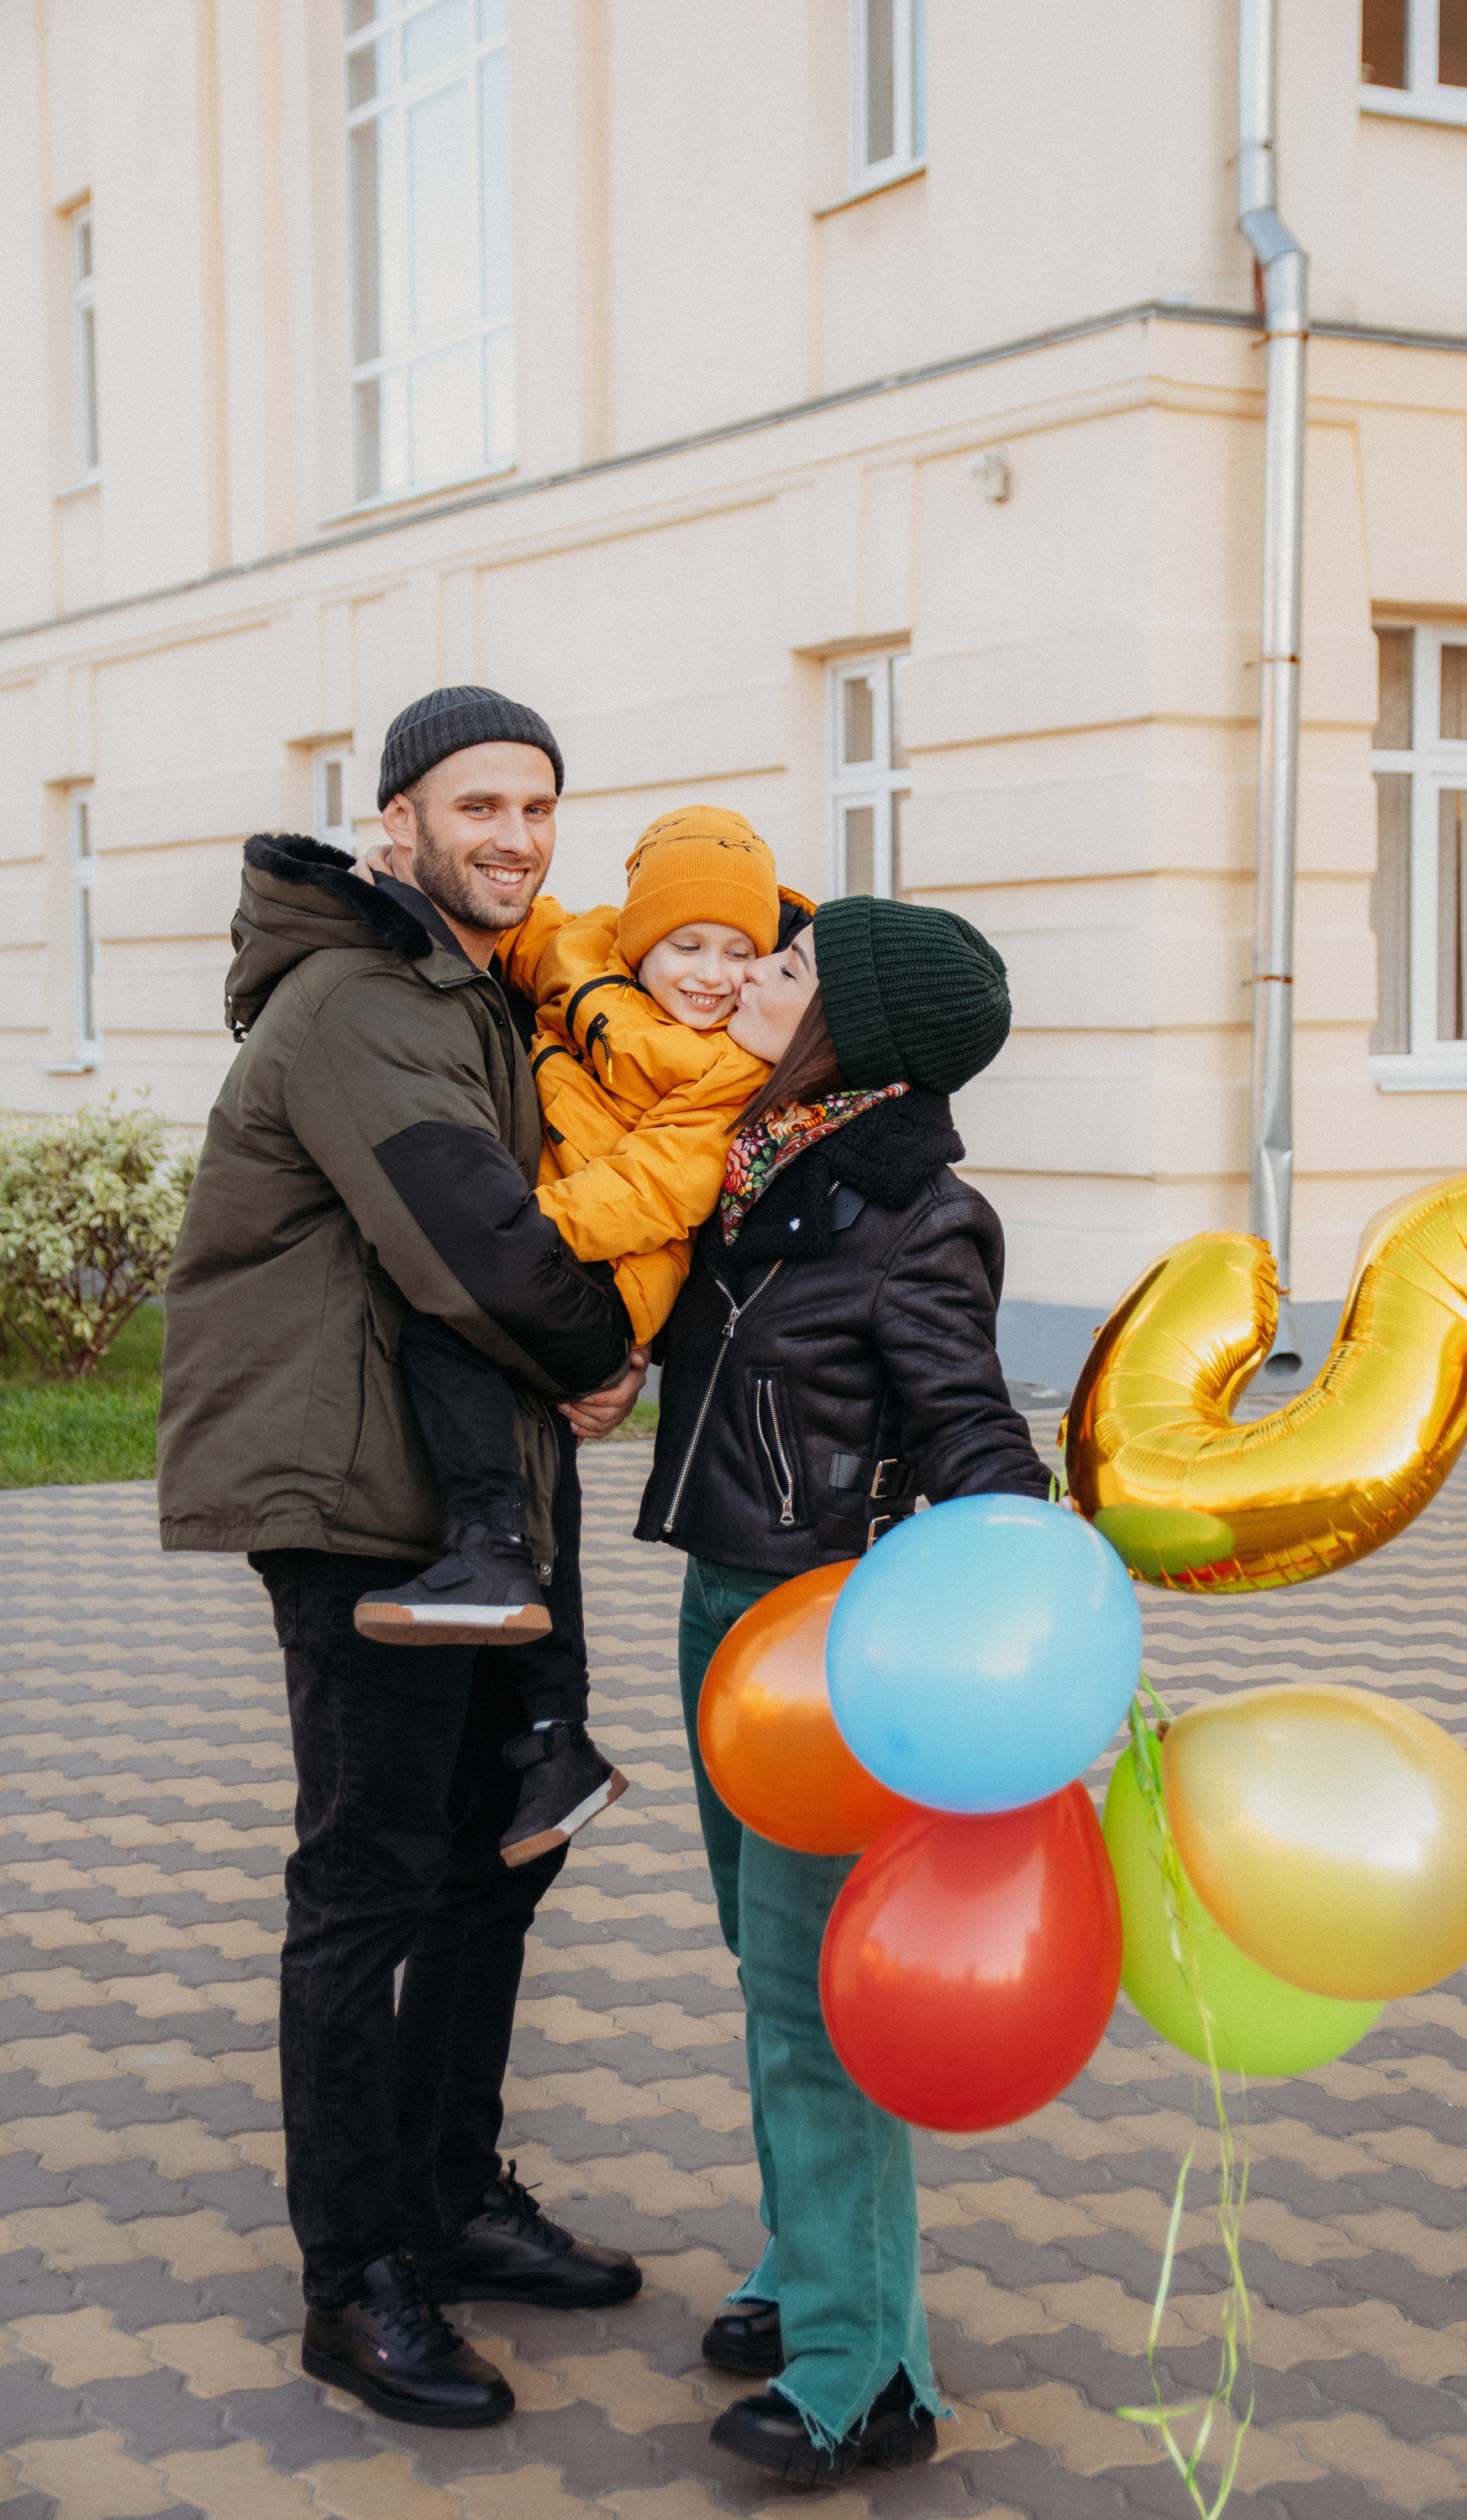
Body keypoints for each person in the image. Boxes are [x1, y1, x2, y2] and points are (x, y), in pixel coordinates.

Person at [157, 685, 649, 2432]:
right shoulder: (361, 997)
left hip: (460, 1494)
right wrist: (601, 1356)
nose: (511, 837)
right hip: (355, 1500)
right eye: (475, 807)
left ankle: (448, 2194)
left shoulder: (469, 990)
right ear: (396, 828)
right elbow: (469, 1233)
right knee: (368, 1877)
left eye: (536, 807)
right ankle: (352, 2276)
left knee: (493, 1859)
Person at [634, 893, 1051, 2484]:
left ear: (851, 1029)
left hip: (830, 1638)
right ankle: (805, 2265)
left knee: (820, 2006)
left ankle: (865, 2373)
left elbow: (965, 1423)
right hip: (725, 1606)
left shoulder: (911, 1211)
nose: (749, 971)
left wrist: (1023, 1579)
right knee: (764, 1962)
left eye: (789, 966)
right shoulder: (758, 1161)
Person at [350, 806, 813, 1870]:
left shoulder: (729, 1064)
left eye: (740, 954)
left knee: (442, 1323)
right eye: (687, 945)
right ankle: (554, 1734)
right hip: (543, 1232)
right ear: (638, 935)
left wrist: (516, 1239)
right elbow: (510, 933)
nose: (710, 974)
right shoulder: (580, 954)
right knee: (532, 1449)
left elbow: (665, 1184)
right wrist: (395, 886)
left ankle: (489, 1553)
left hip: (604, 1264)